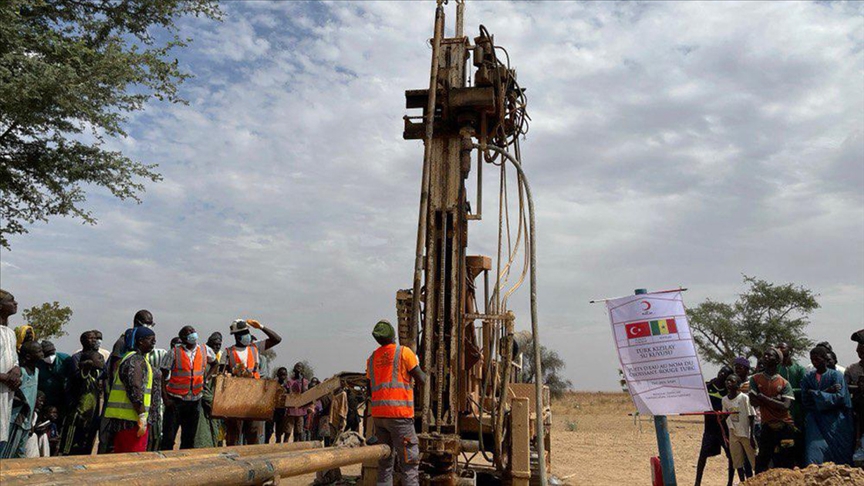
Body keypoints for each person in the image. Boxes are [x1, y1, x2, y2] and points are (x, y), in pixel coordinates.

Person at [366, 320, 425, 486]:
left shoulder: (371, 359)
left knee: (385, 462)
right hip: (400, 417)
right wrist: (418, 364)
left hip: (379, 418)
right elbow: (422, 379)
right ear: (393, 335)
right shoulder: (404, 353)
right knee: (409, 464)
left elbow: (370, 390)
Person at [220, 318, 282, 446]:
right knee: (234, 432)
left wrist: (261, 327)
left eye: (248, 331)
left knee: (253, 432)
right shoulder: (227, 353)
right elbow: (221, 377)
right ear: (237, 336)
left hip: (254, 397)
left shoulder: (255, 347)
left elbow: (277, 339)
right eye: (244, 332)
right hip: (235, 398)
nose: (247, 335)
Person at [101, 326, 156, 453]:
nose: (153, 343)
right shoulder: (135, 360)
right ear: (140, 341)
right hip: (132, 422)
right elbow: (135, 388)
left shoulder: (132, 358)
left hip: (127, 421)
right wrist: (142, 415)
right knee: (133, 459)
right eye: (150, 339)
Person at [161, 325, 214, 450]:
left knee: (189, 439)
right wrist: (165, 398)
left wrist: (206, 378)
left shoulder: (205, 350)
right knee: (169, 438)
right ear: (183, 338)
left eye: (193, 331)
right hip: (176, 401)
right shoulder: (174, 352)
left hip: (195, 401)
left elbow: (215, 363)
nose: (193, 333)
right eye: (189, 332)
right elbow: (161, 375)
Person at [801, 345, 854, 465]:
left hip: (836, 422)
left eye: (817, 359)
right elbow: (806, 398)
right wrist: (828, 391)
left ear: (825, 359)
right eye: (812, 360)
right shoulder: (808, 377)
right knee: (814, 453)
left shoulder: (837, 375)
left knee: (839, 454)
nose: (814, 363)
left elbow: (839, 397)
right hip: (815, 421)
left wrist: (815, 393)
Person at [749, 347, 796, 472]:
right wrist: (776, 401)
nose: (766, 357)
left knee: (785, 461)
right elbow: (753, 401)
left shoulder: (784, 383)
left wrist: (763, 398)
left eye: (770, 356)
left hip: (785, 426)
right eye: (765, 355)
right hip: (767, 426)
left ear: (777, 361)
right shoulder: (755, 379)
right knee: (762, 461)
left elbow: (786, 406)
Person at [1, 340, 42, 458]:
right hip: (16, 419)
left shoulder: (37, 372)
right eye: (39, 351)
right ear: (28, 356)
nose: (42, 353)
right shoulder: (20, 372)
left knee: (20, 452)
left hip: (27, 421)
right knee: (8, 452)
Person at [695, 365, 734, 486]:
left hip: (723, 429)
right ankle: (697, 483)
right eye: (721, 371)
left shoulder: (728, 392)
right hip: (709, 429)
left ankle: (729, 482)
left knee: (731, 456)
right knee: (702, 456)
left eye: (725, 373)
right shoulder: (709, 386)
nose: (722, 373)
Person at [59, 350, 104, 455]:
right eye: (99, 358)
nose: (102, 360)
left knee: (85, 449)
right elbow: (82, 374)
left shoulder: (96, 375)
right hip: (77, 420)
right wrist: (85, 367)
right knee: (68, 450)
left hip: (90, 421)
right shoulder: (83, 375)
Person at [722, 374, 756, 482]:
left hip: (745, 433)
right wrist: (721, 415)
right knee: (737, 460)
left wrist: (751, 436)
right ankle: (742, 481)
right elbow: (725, 414)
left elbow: (751, 416)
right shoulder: (724, 400)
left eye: (731, 381)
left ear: (737, 384)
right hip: (733, 432)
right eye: (727, 380)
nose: (728, 383)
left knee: (753, 459)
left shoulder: (744, 398)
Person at [0, 289, 22, 452]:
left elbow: (14, 359)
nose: (15, 303)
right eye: (11, 300)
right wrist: (5, 378)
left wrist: (16, 371)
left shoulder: (10, 333)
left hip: (6, 394)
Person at [36, 340, 70, 417]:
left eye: (51, 353)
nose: (50, 357)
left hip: (62, 398)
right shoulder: (38, 363)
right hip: (45, 399)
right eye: (46, 354)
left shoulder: (65, 359)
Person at [845, 330, 864, 453]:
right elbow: (844, 386)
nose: (858, 350)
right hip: (858, 412)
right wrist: (858, 388)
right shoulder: (852, 369)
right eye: (859, 347)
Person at [285, 362, 310, 442]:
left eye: (300, 368)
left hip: (301, 410)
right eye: (297, 367)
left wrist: (301, 380)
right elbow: (289, 393)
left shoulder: (305, 381)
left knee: (298, 431)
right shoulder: (290, 381)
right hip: (291, 410)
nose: (298, 369)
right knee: (288, 431)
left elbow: (304, 392)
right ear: (294, 369)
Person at [266, 366, 290, 444]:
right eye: (281, 374)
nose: (283, 376)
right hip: (272, 410)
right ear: (278, 375)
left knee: (279, 432)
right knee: (269, 431)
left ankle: (277, 446)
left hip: (282, 411)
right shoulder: (273, 385)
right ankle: (266, 444)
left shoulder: (287, 386)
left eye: (284, 375)